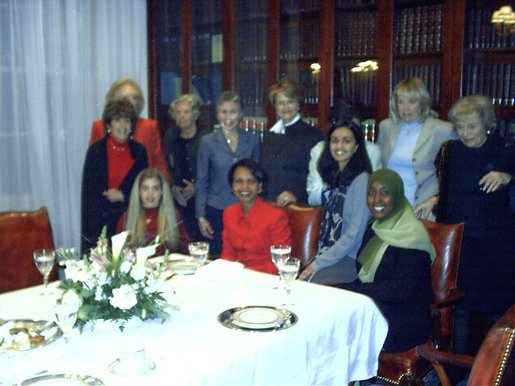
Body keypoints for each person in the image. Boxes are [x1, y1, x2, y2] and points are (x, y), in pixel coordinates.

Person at [427, 95, 514, 359]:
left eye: (472, 127)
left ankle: (491, 366)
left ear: (486, 124)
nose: (465, 133)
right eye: (460, 127)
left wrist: (508, 177)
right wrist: (435, 198)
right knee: (460, 307)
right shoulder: (450, 151)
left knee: (492, 308)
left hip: (495, 244)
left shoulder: (505, 149)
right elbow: (449, 191)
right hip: (461, 242)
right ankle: (458, 365)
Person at [340, 168, 435, 352]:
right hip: (378, 305)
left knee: (342, 322)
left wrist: (348, 290)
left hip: (406, 319)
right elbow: (363, 277)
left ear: (397, 195)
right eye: (371, 193)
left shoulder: (412, 234)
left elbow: (401, 291)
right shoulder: (375, 228)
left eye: (385, 193)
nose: (377, 200)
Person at [299, 120, 372, 284]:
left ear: (356, 146)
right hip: (331, 257)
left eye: (346, 140)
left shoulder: (362, 180)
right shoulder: (337, 178)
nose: (339, 145)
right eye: (334, 140)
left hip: (349, 260)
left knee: (305, 285)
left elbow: (353, 235)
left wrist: (317, 263)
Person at [377, 77, 456, 216]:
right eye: (400, 102)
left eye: (411, 102)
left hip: (423, 208)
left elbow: (456, 173)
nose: (405, 108)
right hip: (389, 207)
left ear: (422, 103)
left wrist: (437, 199)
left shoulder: (442, 130)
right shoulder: (386, 127)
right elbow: (379, 167)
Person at [196, 91, 261, 256]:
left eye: (233, 111)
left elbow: (258, 178)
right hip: (216, 209)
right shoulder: (207, 142)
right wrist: (201, 216)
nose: (228, 116)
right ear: (218, 115)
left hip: (245, 208)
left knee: (245, 257)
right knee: (219, 257)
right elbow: (202, 180)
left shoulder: (253, 140)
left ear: (240, 115)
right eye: (224, 111)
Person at [81, 100, 148, 253]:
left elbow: (144, 188)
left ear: (132, 126)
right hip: (101, 222)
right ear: (108, 125)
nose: (122, 125)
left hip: (129, 219)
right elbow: (89, 195)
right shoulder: (96, 151)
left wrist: (123, 195)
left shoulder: (140, 152)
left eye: (127, 120)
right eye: (117, 120)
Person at [89, 78, 170, 182]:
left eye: (135, 97)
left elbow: (158, 163)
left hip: (141, 190)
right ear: (113, 100)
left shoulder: (149, 126)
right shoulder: (99, 126)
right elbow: (93, 168)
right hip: (108, 190)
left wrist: (164, 187)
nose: (131, 101)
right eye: (125, 97)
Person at [261, 78, 324, 207]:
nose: (286, 107)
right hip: (269, 205)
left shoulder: (313, 135)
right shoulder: (269, 136)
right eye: (281, 103)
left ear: (298, 104)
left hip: (298, 207)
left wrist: (297, 194)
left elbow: (320, 178)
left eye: (290, 102)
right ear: (275, 107)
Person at [221, 159, 291, 274]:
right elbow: (227, 254)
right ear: (232, 186)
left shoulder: (276, 216)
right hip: (235, 277)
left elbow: (281, 261)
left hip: (264, 277)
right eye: (238, 181)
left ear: (260, 186)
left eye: (251, 181)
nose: (244, 187)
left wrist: (246, 272)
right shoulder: (229, 213)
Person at [307, 100, 382, 206]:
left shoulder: (372, 151)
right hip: (327, 213)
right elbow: (313, 197)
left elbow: (375, 193)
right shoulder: (319, 150)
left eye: (353, 126)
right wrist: (341, 193)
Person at [164, 93, 205, 241]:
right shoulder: (170, 136)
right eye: (178, 112)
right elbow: (167, 165)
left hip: (200, 200)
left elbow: (211, 171)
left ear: (195, 114)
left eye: (186, 112)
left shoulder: (205, 138)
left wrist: (195, 187)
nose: (181, 116)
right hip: (177, 199)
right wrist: (173, 187)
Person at [118, 168, 179, 255]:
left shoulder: (174, 216)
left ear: (162, 191)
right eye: (145, 188)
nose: (150, 193)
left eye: (155, 188)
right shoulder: (126, 218)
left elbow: (187, 249)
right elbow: (118, 255)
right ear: (139, 191)